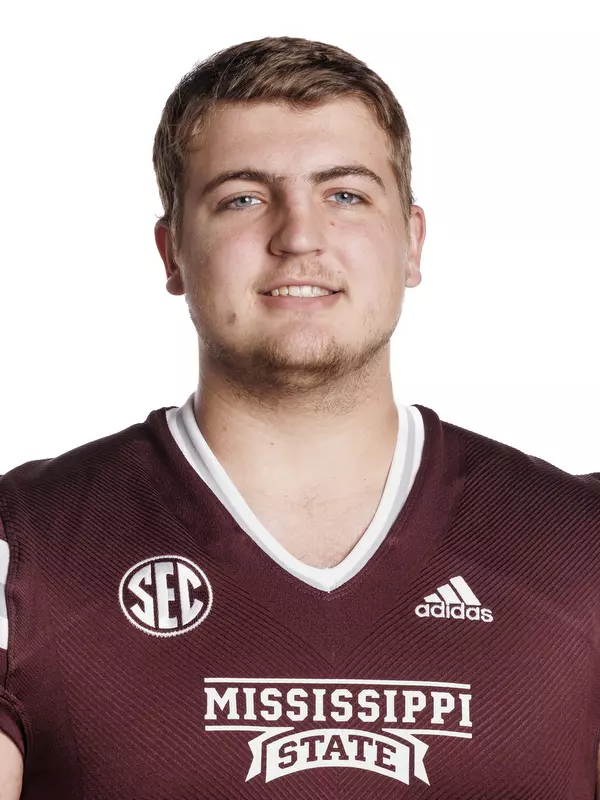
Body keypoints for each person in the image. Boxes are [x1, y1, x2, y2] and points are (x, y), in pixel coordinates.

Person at [0, 34, 599, 800]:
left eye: (344, 194)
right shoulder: (26, 549)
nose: (299, 236)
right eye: (243, 198)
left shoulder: (583, 545)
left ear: (412, 243)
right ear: (172, 252)